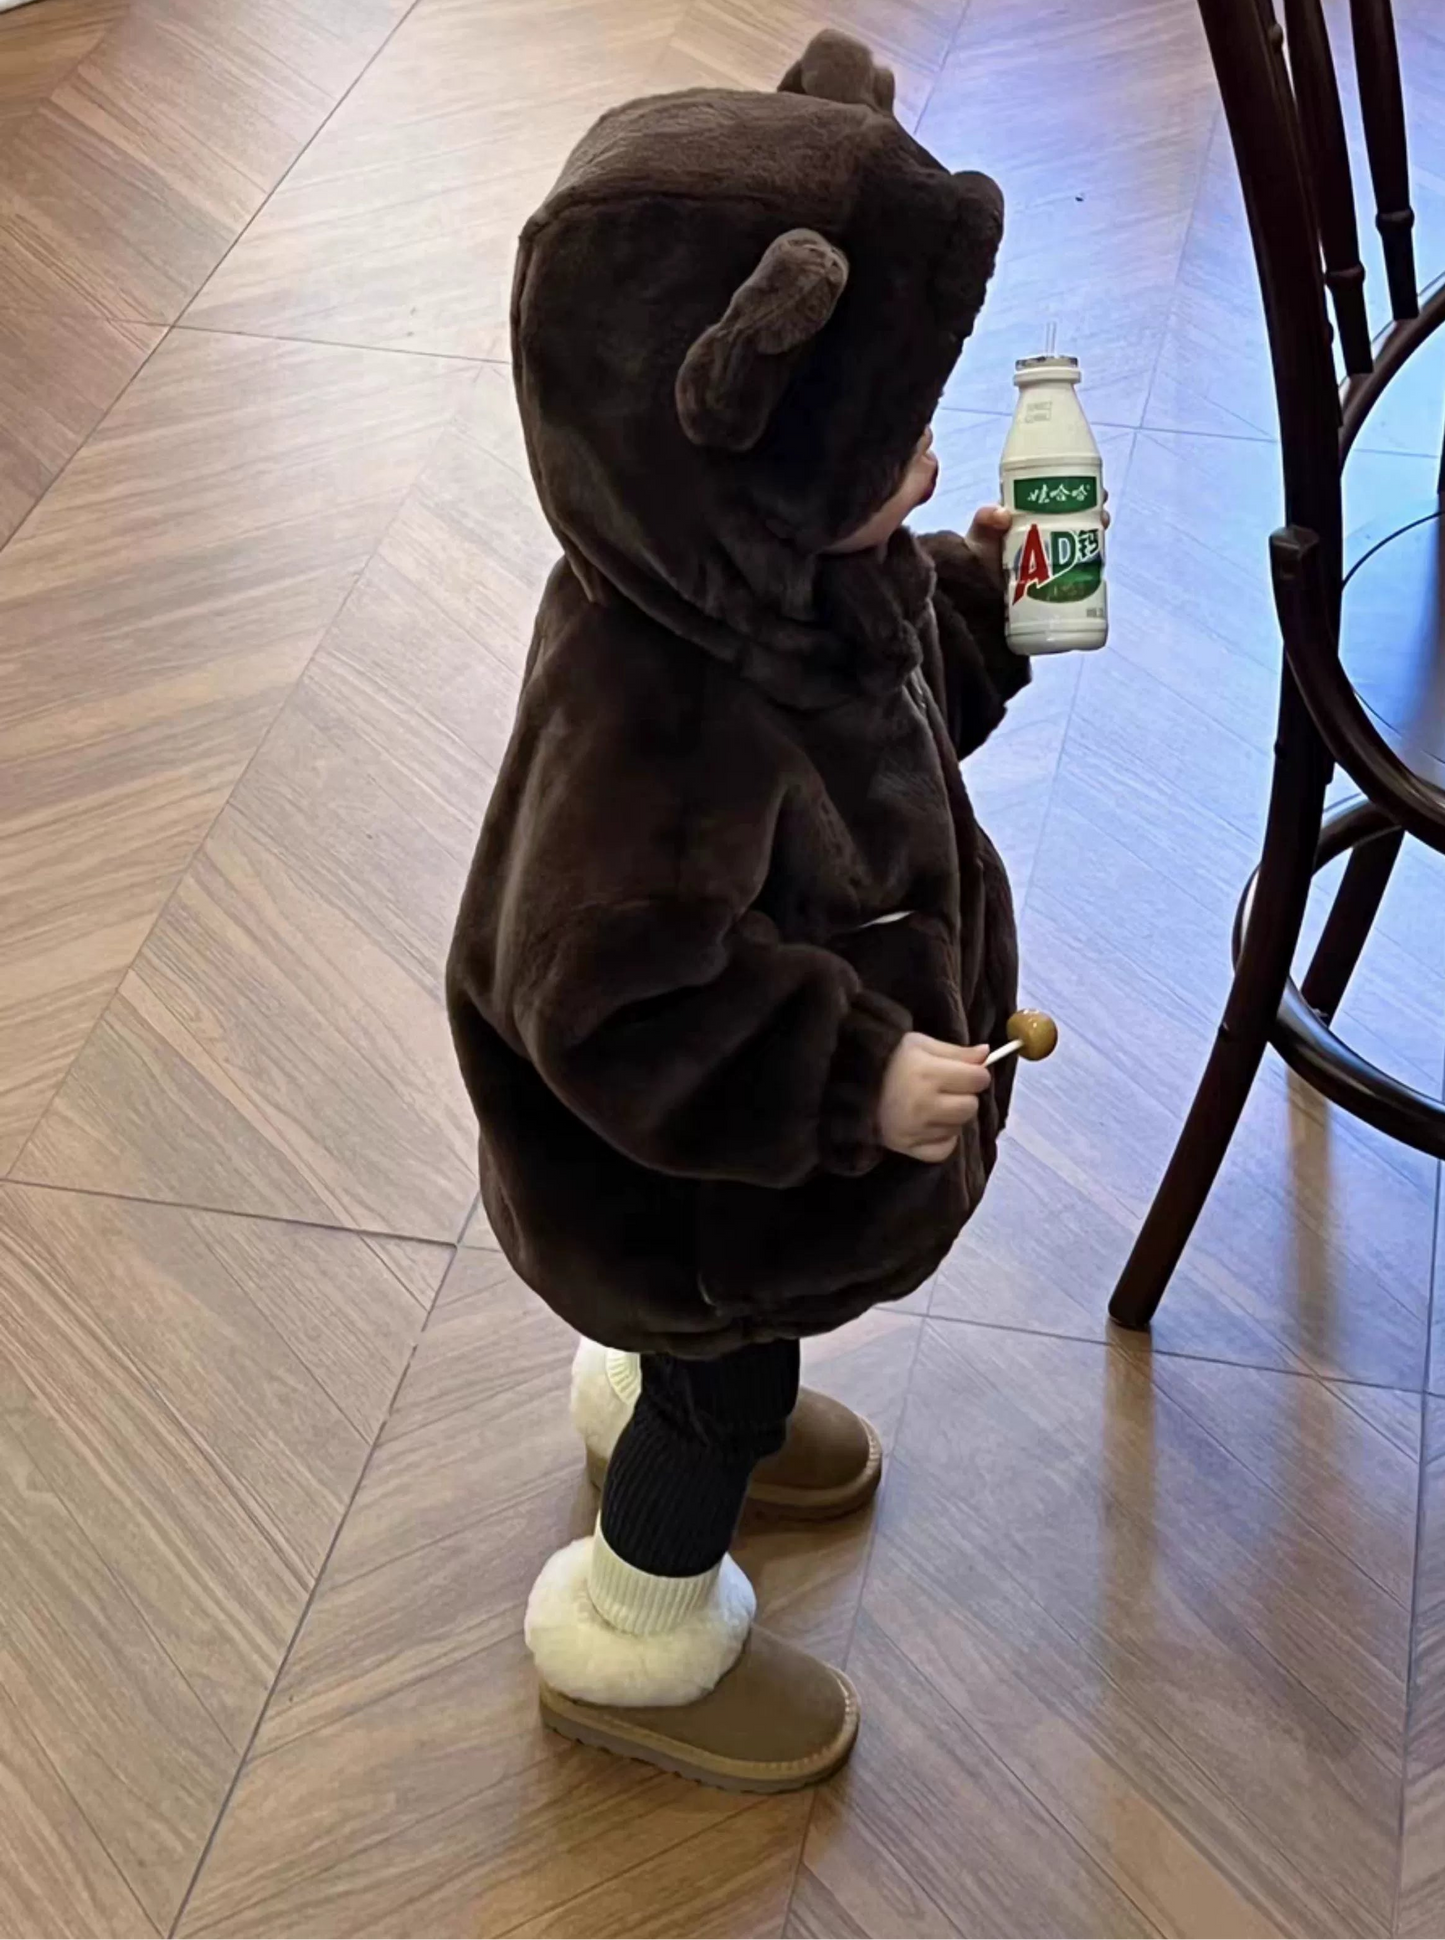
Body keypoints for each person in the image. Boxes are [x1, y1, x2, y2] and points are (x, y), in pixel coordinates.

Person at [448, 28, 1024, 1793]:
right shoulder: (659, 715)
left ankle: (690, 1401)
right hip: (692, 1191)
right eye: (895, 447)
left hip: (744, 1173)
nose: (924, 469)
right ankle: (641, 1633)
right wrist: (853, 1077)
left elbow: (880, 703)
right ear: (742, 447)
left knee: (729, 1368)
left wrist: (974, 615)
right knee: (720, 1386)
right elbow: (623, 1002)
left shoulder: (773, 579)